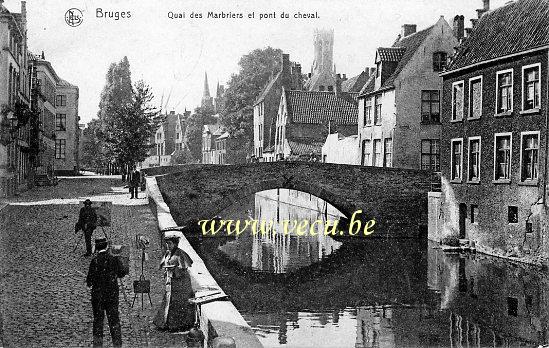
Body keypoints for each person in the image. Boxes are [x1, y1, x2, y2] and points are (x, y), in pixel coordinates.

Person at [86, 238, 126, 347]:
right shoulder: (113, 259)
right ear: (107, 247)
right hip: (112, 295)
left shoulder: (95, 261)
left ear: (96, 248)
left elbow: (89, 281)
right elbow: (122, 273)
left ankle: (98, 345)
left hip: (98, 296)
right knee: (114, 320)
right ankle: (117, 345)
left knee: (98, 321)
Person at [153, 231, 195, 332]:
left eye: (170, 243)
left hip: (180, 284)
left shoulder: (180, 254)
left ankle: (177, 326)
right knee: (168, 301)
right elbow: (162, 264)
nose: (168, 246)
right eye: (167, 243)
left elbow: (183, 269)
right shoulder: (168, 253)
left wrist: (175, 269)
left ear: (175, 244)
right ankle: (165, 324)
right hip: (171, 282)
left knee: (178, 304)